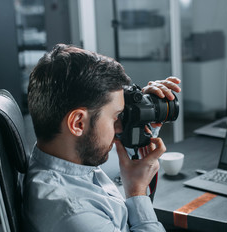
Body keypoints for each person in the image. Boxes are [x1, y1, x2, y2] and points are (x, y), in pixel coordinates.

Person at [23, 44, 181, 231]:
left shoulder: (71, 159)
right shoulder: (75, 214)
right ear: (78, 123)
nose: (120, 127)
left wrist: (143, 115)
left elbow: (120, 158)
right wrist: (136, 193)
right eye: (116, 117)